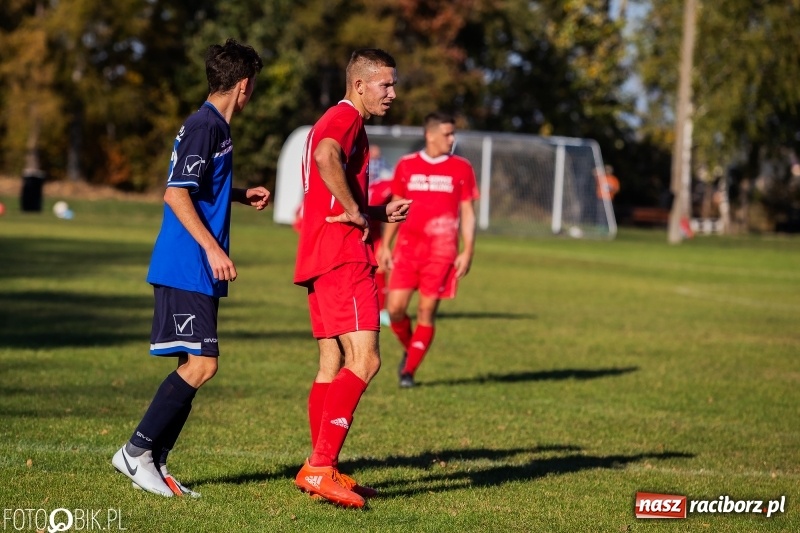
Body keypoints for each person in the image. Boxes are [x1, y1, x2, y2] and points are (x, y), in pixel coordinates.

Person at [111, 38, 269, 498]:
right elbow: (175, 192)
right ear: (244, 85)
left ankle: (156, 463)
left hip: (194, 267)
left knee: (192, 363)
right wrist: (213, 250)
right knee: (203, 365)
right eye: (252, 84)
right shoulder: (206, 126)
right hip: (188, 265)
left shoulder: (213, 126)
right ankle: (136, 451)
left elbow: (198, 184)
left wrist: (238, 194)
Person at [292, 48, 411, 508]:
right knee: (366, 360)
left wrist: (374, 210)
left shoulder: (335, 119)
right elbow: (326, 157)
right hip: (343, 256)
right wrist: (358, 214)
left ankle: (324, 466)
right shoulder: (345, 118)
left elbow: (328, 178)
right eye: (385, 84)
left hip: (318, 254)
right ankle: (320, 467)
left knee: (331, 364)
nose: (392, 93)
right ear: (359, 85)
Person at [378, 112, 479, 388]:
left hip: (442, 250)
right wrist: (385, 245)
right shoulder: (407, 165)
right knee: (395, 310)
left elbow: (468, 212)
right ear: (430, 135)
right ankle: (413, 350)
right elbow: (396, 205)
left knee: (425, 311)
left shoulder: (462, 168)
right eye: (447, 134)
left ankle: (408, 372)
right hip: (407, 249)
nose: (452, 139)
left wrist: (467, 249)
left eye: (453, 133)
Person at [367, 144, 394, 326]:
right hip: (351, 232)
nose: (376, 162)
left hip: (375, 233)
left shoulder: (386, 183)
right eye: (373, 158)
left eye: (379, 158)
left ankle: (381, 310)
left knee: (380, 267)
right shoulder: (353, 177)